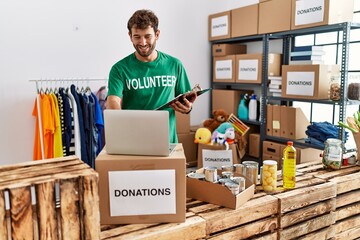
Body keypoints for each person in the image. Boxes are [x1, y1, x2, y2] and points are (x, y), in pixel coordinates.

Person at [106, 9, 196, 143]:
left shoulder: (174, 65)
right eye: (137, 37)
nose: (142, 42)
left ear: (157, 34)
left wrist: (188, 108)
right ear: (130, 36)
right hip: (132, 142)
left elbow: (186, 98)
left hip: (167, 142)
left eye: (147, 36)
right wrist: (118, 122)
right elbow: (113, 101)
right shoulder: (119, 69)